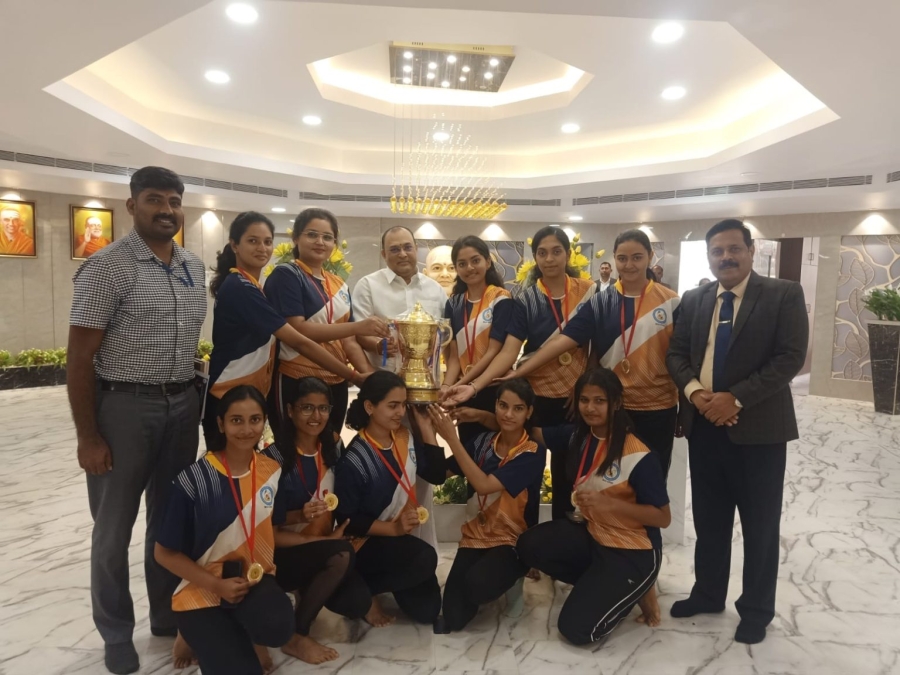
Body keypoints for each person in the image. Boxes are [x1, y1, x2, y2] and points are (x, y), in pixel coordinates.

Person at [67, 166, 206, 674]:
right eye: (154, 199)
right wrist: (88, 436)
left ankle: (166, 615)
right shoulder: (106, 267)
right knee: (113, 529)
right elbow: (79, 357)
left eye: (173, 201)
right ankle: (115, 632)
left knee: (168, 521)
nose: (166, 210)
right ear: (131, 206)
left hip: (182, 406)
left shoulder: (193, 267)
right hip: (123, 408)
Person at [665, 219, 808, 644]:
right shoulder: (694, 299)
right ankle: (708, 594)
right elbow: (676, 355)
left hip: (760, 431)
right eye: (717, 251)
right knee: (710, 520)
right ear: (709, 256)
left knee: (760, 526)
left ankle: (756, 610)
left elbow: (790, 357)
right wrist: (697, 394)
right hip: (705, 427)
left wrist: (735, 398)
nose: (725, 257)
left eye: (733, 249)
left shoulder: (783, 294)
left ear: (750, 250)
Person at [500, 229, 681, 486]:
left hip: (658, 406)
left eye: (637, 257)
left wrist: (686, 408)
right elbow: (568, 339)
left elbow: (681, 356)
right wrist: (519, 371)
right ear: (614, 259)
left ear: (650, 256)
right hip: (613, 404)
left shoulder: (671, 301)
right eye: (622, 258)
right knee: (608, 477)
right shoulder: (601, 301)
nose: (629, 265)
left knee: (652, 478)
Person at [442, 226, 595, 520]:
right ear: (535, 257)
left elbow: (594, 345)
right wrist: (462, 385)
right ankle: (525, 535)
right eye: (542, 253)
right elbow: (507, 350)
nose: (549, 259)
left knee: (570, 473)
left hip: (573, 396)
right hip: (535, 395)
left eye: (556, 251)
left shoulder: (588, 291)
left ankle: (566, 537)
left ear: (567, 254)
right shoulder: (525, 298)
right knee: (526, 471)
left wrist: (585, 388)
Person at [516, 368, 670, 646]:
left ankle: (635, 590)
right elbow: (534, 433)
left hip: (632, 550)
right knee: (530, 545)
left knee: (575, 630)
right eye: (584, 400)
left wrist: (610, 504)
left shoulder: (639, 454)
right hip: (594, 536)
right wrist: (484, 417)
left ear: (617, 403)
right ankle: (602, 588)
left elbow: (663, 517)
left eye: (600, 401)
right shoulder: (578, 436)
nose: (590, 408)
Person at [155, 386, 296, 675]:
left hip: (252, 582)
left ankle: (248, 630)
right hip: (201, 588)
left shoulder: (272, 471)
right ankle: (187, 634)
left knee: (278, 628)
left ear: (264, 422)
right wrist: (217, 585)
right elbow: (164, 553)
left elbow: (272, 528)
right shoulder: (193, 480)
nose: (246, 429)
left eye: (255, 420)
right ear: (221, 424)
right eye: (236, 420)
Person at [203, 211, 370, 451]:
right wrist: (353, 376)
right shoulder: (244, 286)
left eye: (267, 241)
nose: (262, 248)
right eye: (252, 241)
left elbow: (348, 340)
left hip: (248, 391)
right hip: (229, 391)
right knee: (235, 464)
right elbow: (299, 338)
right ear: (234, 245)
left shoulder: (251, 285)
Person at [264, 377, 375, 664]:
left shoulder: (333, 448)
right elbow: (268, 534)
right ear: (290, 410)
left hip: (320, 546)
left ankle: (308, 591)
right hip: (280, 554)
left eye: (323, 408)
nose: (316, 416)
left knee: (358, 603)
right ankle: (297, 635)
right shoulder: (272, 459)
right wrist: (316, 535)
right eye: (307, 408)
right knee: (340, 555)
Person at [428, 380, 546, 632]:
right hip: (475, 535)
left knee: (478, 586)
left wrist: (452, 438)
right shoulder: (482, 442)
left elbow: (483, 486)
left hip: (512, 540)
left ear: (529, 412)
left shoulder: (532, 452)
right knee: (453, 618)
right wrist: (429, 428)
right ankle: (490, 577)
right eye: (503, 406)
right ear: (495, 406)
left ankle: (515, 578)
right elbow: (440, 473)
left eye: (518, 408)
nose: (508, 414)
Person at [333, 372, 447, 626]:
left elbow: (436, 475)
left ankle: (378, 583)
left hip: (396, 540)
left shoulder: (403, 437)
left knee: (427, 611)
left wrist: (426, 427)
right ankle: (363, 587)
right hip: (365, 543)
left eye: (403, 405)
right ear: (370, 407)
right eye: (392, 405)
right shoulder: (355, 459)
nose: (400, 412)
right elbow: (347, 519)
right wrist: (393, 529)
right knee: (425, 557)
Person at [264, 207, 389, 431]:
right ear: (296, 238)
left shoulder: (338, 283)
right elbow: (298, 330)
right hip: (297, 378)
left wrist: (368, 375)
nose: (320, 242)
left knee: (331, 444)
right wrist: (359, 326)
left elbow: (349, 340)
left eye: (327, 237)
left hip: (336, 381)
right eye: (312, 234)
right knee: (294, 445)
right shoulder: (287, 275)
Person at [439, 235, 515, 444]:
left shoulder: (501, 298)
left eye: (475, 260)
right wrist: (446, 387)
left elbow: (493, 351)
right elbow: (454, 357)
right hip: (463, 392)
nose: (469, 268)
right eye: (462, 264)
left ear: (487, 262)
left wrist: (460, 385)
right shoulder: (454, 303)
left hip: (492, 386)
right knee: (469, 448)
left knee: (497, 448)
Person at [353, 225, 447, 372]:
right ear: (384, 254)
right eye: (395, 249)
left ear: (416, 249)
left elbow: (446, 332)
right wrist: (378, 345)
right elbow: (357, 333)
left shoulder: (436, 289)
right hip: (384, 379)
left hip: (427, 378)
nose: (402, 254)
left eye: (407, 247)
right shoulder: (368, 286)